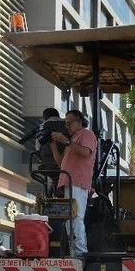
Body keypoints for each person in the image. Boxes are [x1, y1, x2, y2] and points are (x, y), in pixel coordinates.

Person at [50, 109, 97, 257]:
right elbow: (60, 163)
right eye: (66, 122)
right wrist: (52, 144)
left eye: (70, 122)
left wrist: (65, 141)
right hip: (68, 181)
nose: (67, 125)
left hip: (78, 181)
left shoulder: (87, 134)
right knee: (70, 217)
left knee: (76, 216)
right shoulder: (72, 140)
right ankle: (74, 251)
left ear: (80, 121)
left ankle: (80, 251)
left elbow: (85, 152)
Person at [35, 108, 68, 192]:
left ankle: (57, 188)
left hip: (48, 164)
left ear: (45, 116)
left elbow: (38, 147)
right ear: (58, 115)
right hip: (66, 163)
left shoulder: (42, 126)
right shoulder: (67, 125)